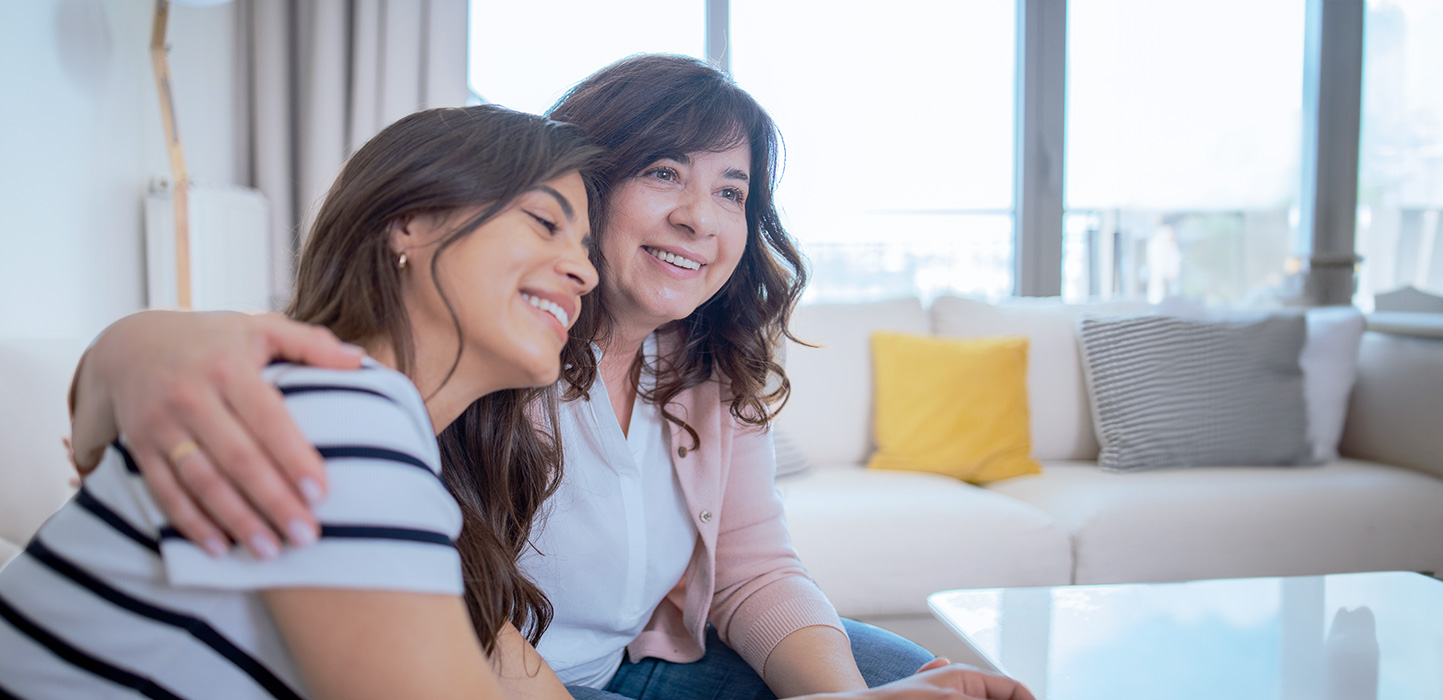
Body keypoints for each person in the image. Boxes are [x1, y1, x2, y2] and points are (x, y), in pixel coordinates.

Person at [60, 56, 1035, 700]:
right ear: (587, 182)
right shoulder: (468, 365)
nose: (702, 217)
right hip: (510, 666)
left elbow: (755, 569)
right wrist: (135, 349)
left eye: (731, 192)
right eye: (664, 173)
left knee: (907, 676)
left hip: (629, 663)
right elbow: (274, 354)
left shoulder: (688, 362)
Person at [0, 105, 603, 698]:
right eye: (546, 222)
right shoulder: (334, 410)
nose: (585, 271)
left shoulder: (380, 434)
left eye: (583, 247)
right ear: (409, 222)